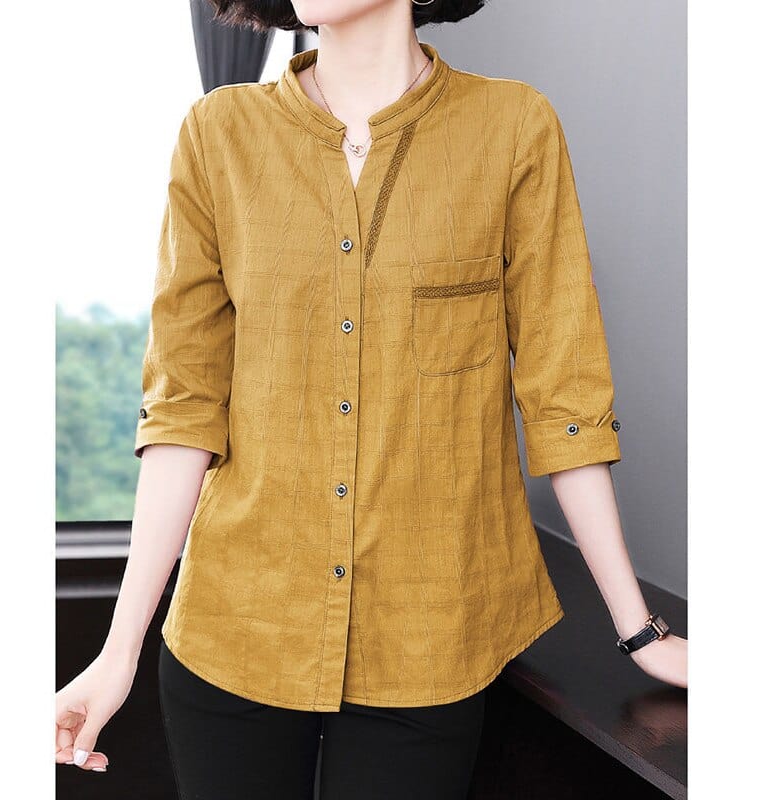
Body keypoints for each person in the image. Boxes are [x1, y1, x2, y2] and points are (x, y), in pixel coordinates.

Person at [55, 1, 688, 797]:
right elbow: (185, 409)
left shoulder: (513, 128)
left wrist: (640, 632)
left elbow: (566, 405)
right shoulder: (219, 133)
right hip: (234, 631)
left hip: (427, 642)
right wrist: (117, 655)